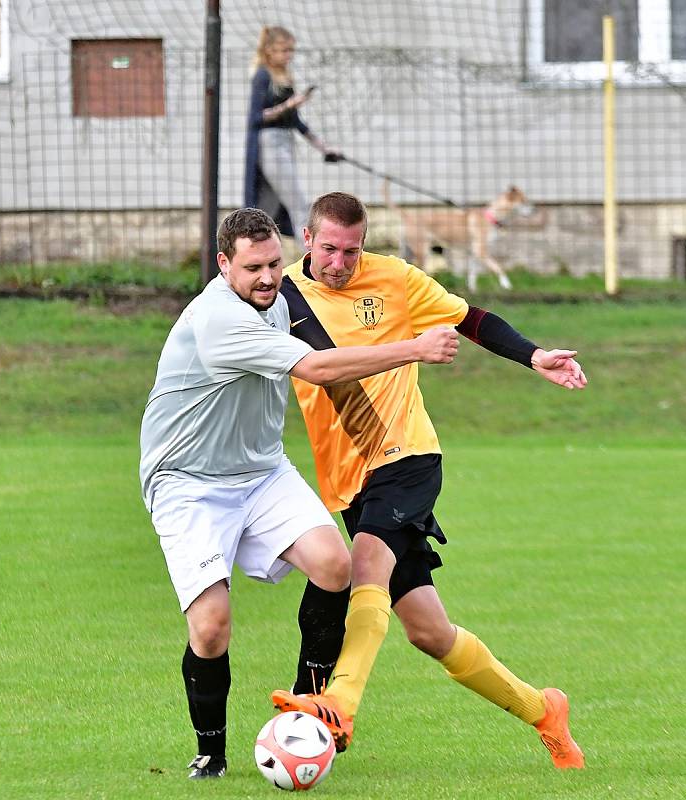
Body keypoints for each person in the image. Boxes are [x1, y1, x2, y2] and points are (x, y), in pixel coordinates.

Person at [138, 207, 458, 779]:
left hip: (261, 471)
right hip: (188, 482)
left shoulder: (280, 300)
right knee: (211, 627)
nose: (266, 277)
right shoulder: (218, 320)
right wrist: (413, 348)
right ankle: (210, 750)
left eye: (273, 264)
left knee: (336, 566)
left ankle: (306, 702)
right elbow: (316, 368)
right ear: (223, 265)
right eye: (252, 268)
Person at [271, 192, 587, 769]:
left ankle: (336, 703)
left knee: (364, 563)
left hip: (408, 455)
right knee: (428, 631)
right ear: (309, 241)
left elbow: (469, 319)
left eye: (352, 250)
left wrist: (534, 354)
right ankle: (543, 710)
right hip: (350, 476)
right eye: (330, 249)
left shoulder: (394, 279)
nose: (341, 262)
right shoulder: (281, 295)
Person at [244, 26, 339, 250]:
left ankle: (254, 256)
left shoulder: (285, 76)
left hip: (286, 142)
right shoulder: (262, 75)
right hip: (269, 144)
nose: (289, 55)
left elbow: (295, 120)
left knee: (265, 210)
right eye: (283, 50)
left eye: (291, 50)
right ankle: (313, 263)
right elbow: (256, 117)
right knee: (299, 206)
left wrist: (324, 147)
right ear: (269, 50)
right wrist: (289, 104)